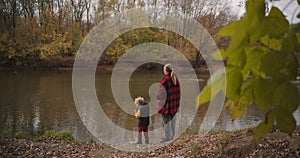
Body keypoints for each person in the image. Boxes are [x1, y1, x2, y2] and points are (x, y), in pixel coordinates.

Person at [156, 64, 180, 142]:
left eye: (164, 69)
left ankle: (167, 138)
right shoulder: (175, 79)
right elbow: (178, 93)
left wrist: (157, 97)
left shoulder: (165, 80)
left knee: (166, 122)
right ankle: (172, 136)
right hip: (174, 105)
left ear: (166, 70)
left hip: (166, 105)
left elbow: (160, 94)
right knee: (172, 121)